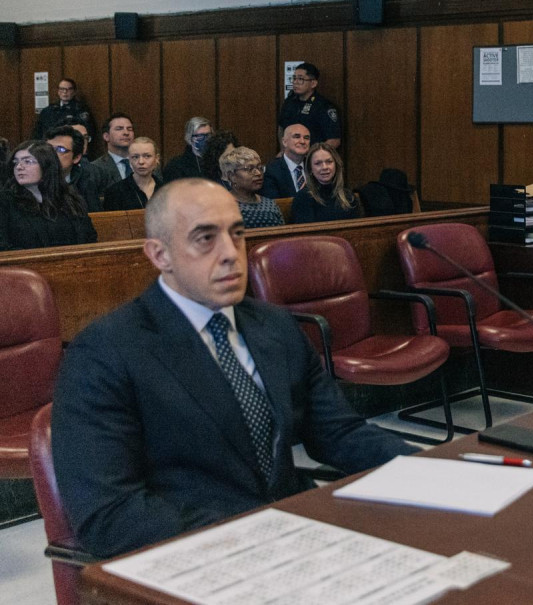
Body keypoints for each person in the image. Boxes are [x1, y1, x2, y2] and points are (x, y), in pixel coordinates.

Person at [51, 179, 416, 558]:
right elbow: (109, 515)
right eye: (205, 238)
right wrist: (255, 538)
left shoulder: (274, 326)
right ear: (160, 255)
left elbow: (339, 433)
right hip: (199, 556)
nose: (231, 253)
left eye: (237, 233)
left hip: (298, 534)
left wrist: (428, 469)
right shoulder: (104, 352)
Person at [0, 140, 97, 251]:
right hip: (26, 266)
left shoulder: (69, 198)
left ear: (47, 165)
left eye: (28, 161)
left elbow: (89, 238)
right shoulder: (5, 201)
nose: (19, 167)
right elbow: (3, 246)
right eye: (15, 162)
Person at [46, 124, 111, 213]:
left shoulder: (86, 182)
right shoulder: (33, 180)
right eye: (48, 149)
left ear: (76, 157)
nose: (52, 154)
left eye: (60, 150)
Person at [292, 143, 362, 224]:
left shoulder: (349, 197)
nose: (324, 167)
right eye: (318, 163)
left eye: (329, 162)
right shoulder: (303, 199)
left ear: (336, 165)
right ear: (310, 169)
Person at [277, 62, 341, 148]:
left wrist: (313, 155)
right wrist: (284, 151)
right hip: (291, 156)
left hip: (312, 157)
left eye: (300, 79)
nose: (295, 82)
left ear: (313, 83)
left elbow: (334, 140)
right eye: (294, 78)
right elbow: (281, 128)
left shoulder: (324, 106)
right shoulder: (289, 102)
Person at [220, 147, 285, 228]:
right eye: (249, 169)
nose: (258, 173)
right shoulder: (222, 207)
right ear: (232, 176)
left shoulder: (270, 204)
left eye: (259, 168)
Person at [103, 138, 165, 211]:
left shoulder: (167, 190)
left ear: (156, 159)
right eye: (135, 157)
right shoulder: (115, 192)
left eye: (147, 156)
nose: (141, 162)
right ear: (129, 159)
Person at [262, 124, 311, 199]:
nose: (302, 141)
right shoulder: (271, 171)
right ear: (284, 142)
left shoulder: (314, 167)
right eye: (297, 137)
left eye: (306, 138)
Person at [94, 113, 137, 182]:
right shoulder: (95, 168)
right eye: (119, 129)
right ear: (106, 136)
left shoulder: (149, 164)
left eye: (129, 129)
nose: (126, 133)